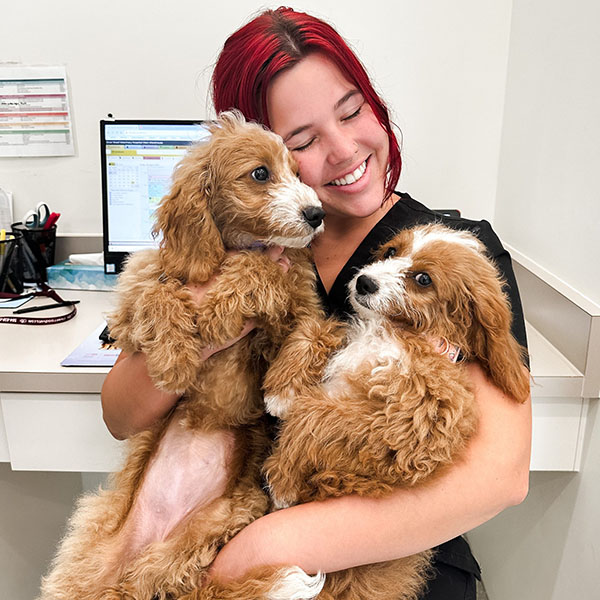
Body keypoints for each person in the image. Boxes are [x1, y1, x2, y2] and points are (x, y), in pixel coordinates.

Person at [101, 7, 532, 599]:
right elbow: (120, 414)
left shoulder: (453, 257)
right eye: (301, 141)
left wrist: (267, 547)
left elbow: (499, 478)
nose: (344, 148)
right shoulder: (244, 248)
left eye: (353, 110)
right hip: (233, 536)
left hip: (388, 564)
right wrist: (205, 329)